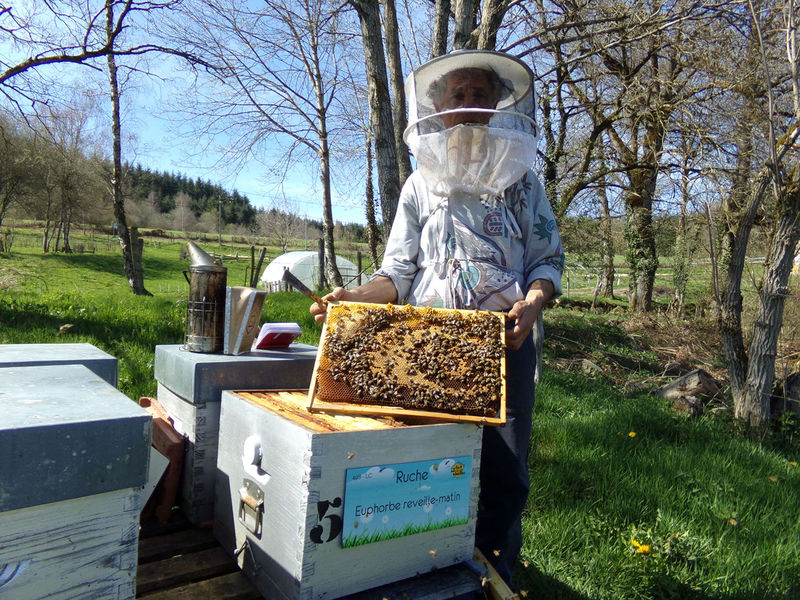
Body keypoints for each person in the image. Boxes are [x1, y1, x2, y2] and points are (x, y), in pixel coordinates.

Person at [310, 49, 564, 585]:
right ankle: (422, 573)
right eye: (458, 95)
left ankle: (493, 578)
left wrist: (534, 302)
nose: (469, 105)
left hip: (504, 345)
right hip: (425, 346)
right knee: (423, 468)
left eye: (480, 95)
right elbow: (397, 273)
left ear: (497, 107)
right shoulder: (418, 184)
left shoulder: (523, 181)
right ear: (440, 110)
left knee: (505, 477)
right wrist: (352, 299)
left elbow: (546, 260)